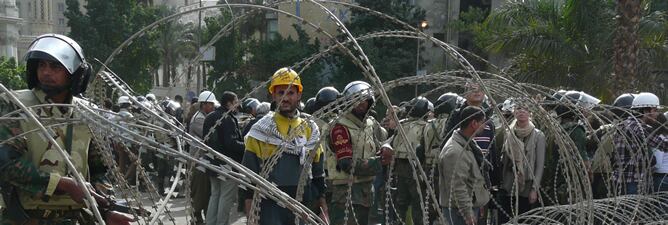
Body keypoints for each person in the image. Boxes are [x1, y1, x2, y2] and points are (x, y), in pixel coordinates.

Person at [0, 34, 133, 224]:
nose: (46, 72)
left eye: (55, 67)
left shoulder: (86, 113)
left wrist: (106, 210)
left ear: (75, 73)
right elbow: (6, 164)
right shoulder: (16, 105)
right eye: (41, 65)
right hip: (27, 218)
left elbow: (98, 171)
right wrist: (61, 184)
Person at [242, 67, 327, 225]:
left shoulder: (310, 129)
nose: (285, 98)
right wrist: (250, 213)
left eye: (290, 93)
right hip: (270, 204)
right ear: (273, 95)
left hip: (303, 201)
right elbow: (249, 177)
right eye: (281, 93)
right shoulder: (261, 130)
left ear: (299, 95)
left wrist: (323, 208)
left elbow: (318, 172)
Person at [327, 81, 392, 225]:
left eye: (364, 99)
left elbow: (383, 140)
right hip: (346, 193)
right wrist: (379, 161)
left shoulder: (371, 124)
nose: (361, 103)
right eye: (356, 99)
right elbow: (347, 164)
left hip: (367, 192)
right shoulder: (340, 127)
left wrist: (386, 148)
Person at [439, 106, 490, 225]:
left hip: (468, 206)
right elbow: (457, 187)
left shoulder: (467, 144)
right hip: (459, 212)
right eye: (483, 122)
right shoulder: (455, 152)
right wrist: (467, 214)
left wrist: (479, 201)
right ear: (474, 123)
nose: (485, 126)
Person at [497, 102, 546, 223]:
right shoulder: (508, 133)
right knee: (505, 218)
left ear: (530, 113)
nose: (522, 111)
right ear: (514, 112)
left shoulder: (538, 135)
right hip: (508, 183)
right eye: (518, 108)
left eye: (526, 109)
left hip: (527, 185)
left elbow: (539, 165)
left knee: (524, 219)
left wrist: (534, 189)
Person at [202, 91, 244, 225]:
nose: (238, 104)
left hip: (211, 162)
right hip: (227, 165)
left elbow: (206, 140)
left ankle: (210, 222)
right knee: (226, 197)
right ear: (229, 103)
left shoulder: (210, 117)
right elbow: (230, 143)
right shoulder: (228, 118)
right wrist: (246, 145)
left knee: (215, 195)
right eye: (236, 101)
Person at [612, 92, 663, 195]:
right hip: (632, 182)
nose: (657, 114)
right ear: (645, 111)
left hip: (620, 180)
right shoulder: (639, 128)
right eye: (655, 110)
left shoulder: (623, 125)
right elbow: (662, 144)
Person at [390, 96, 431, 225]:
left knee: (401, 202)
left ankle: (398, 221)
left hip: (400, 166)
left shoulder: (402, 124)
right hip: (416, 166)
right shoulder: (426, 126)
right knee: (418, 201)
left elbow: (394, 143)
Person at [188, 91, 219, 225]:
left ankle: (205, 218)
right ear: (204, 104)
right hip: (199, 160)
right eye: (211, 104)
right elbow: (209, 136)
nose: (213, 107)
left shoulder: (204, 116)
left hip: (204, 160)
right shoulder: (199, 119)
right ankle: (196, 219)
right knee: (199, 192)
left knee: (206, 192)